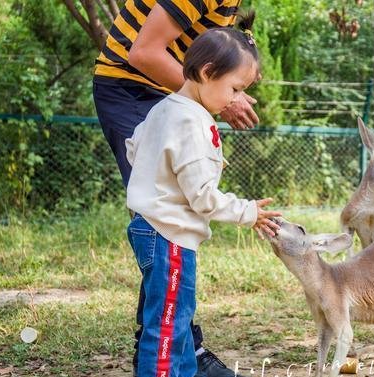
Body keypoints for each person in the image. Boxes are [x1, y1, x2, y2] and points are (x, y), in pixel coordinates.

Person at [92, 1, 261, 376]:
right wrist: (246, 210)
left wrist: (196, 150)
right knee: (167, 303)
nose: (236, 95)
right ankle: (165, 357)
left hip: (163, 92)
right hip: (132, 85)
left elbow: (144, 146)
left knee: (173, 301)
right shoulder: (185, 108)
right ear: (206, 73)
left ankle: (182, 354)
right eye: (234, 87)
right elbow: (145, 52)